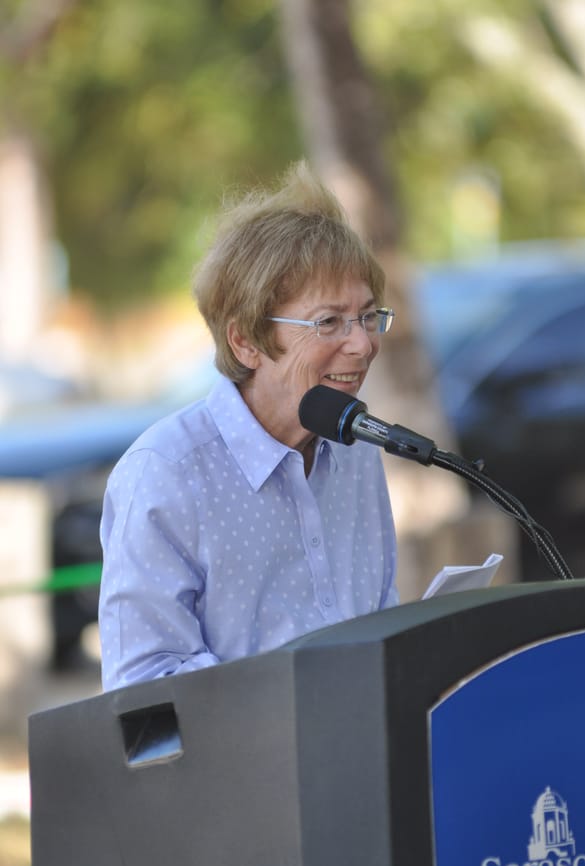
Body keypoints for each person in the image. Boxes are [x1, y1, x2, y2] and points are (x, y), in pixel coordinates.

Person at [98, 161, 399, 691]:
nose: (362, 343)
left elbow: (380, 617)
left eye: (369, 316)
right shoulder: (165, 474)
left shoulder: (356, 449)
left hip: (360, 755)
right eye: (329, 322)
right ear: (246, 342)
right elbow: (143, 685)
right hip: (240, 768)